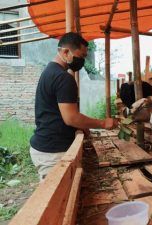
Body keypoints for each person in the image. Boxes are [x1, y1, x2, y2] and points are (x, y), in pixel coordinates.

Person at [29, 32, 118, 181]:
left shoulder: (49, 72)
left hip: (46, 146)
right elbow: (71, 118)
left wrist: (83, 127)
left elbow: (60, 112)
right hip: (53, 152)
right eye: (81, 56)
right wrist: (103, 123)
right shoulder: (64, 78)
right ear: (65, 52)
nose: (82, 61)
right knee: (59, 201)